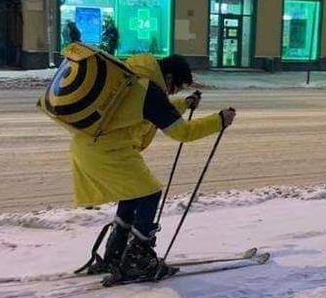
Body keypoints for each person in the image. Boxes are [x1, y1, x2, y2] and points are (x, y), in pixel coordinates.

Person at [70, 52, 236, 284]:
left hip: (89, 144)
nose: (173, 93)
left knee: (135, 192)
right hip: (107, 151)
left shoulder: (136, 76)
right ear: (168, 77)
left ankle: (116, 254)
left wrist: (183, 104)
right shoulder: (150, 92)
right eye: (175, 88)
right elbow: (181, 132)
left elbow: (152, 112)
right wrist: (219, 120)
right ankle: (137, 261)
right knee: (150, 192)